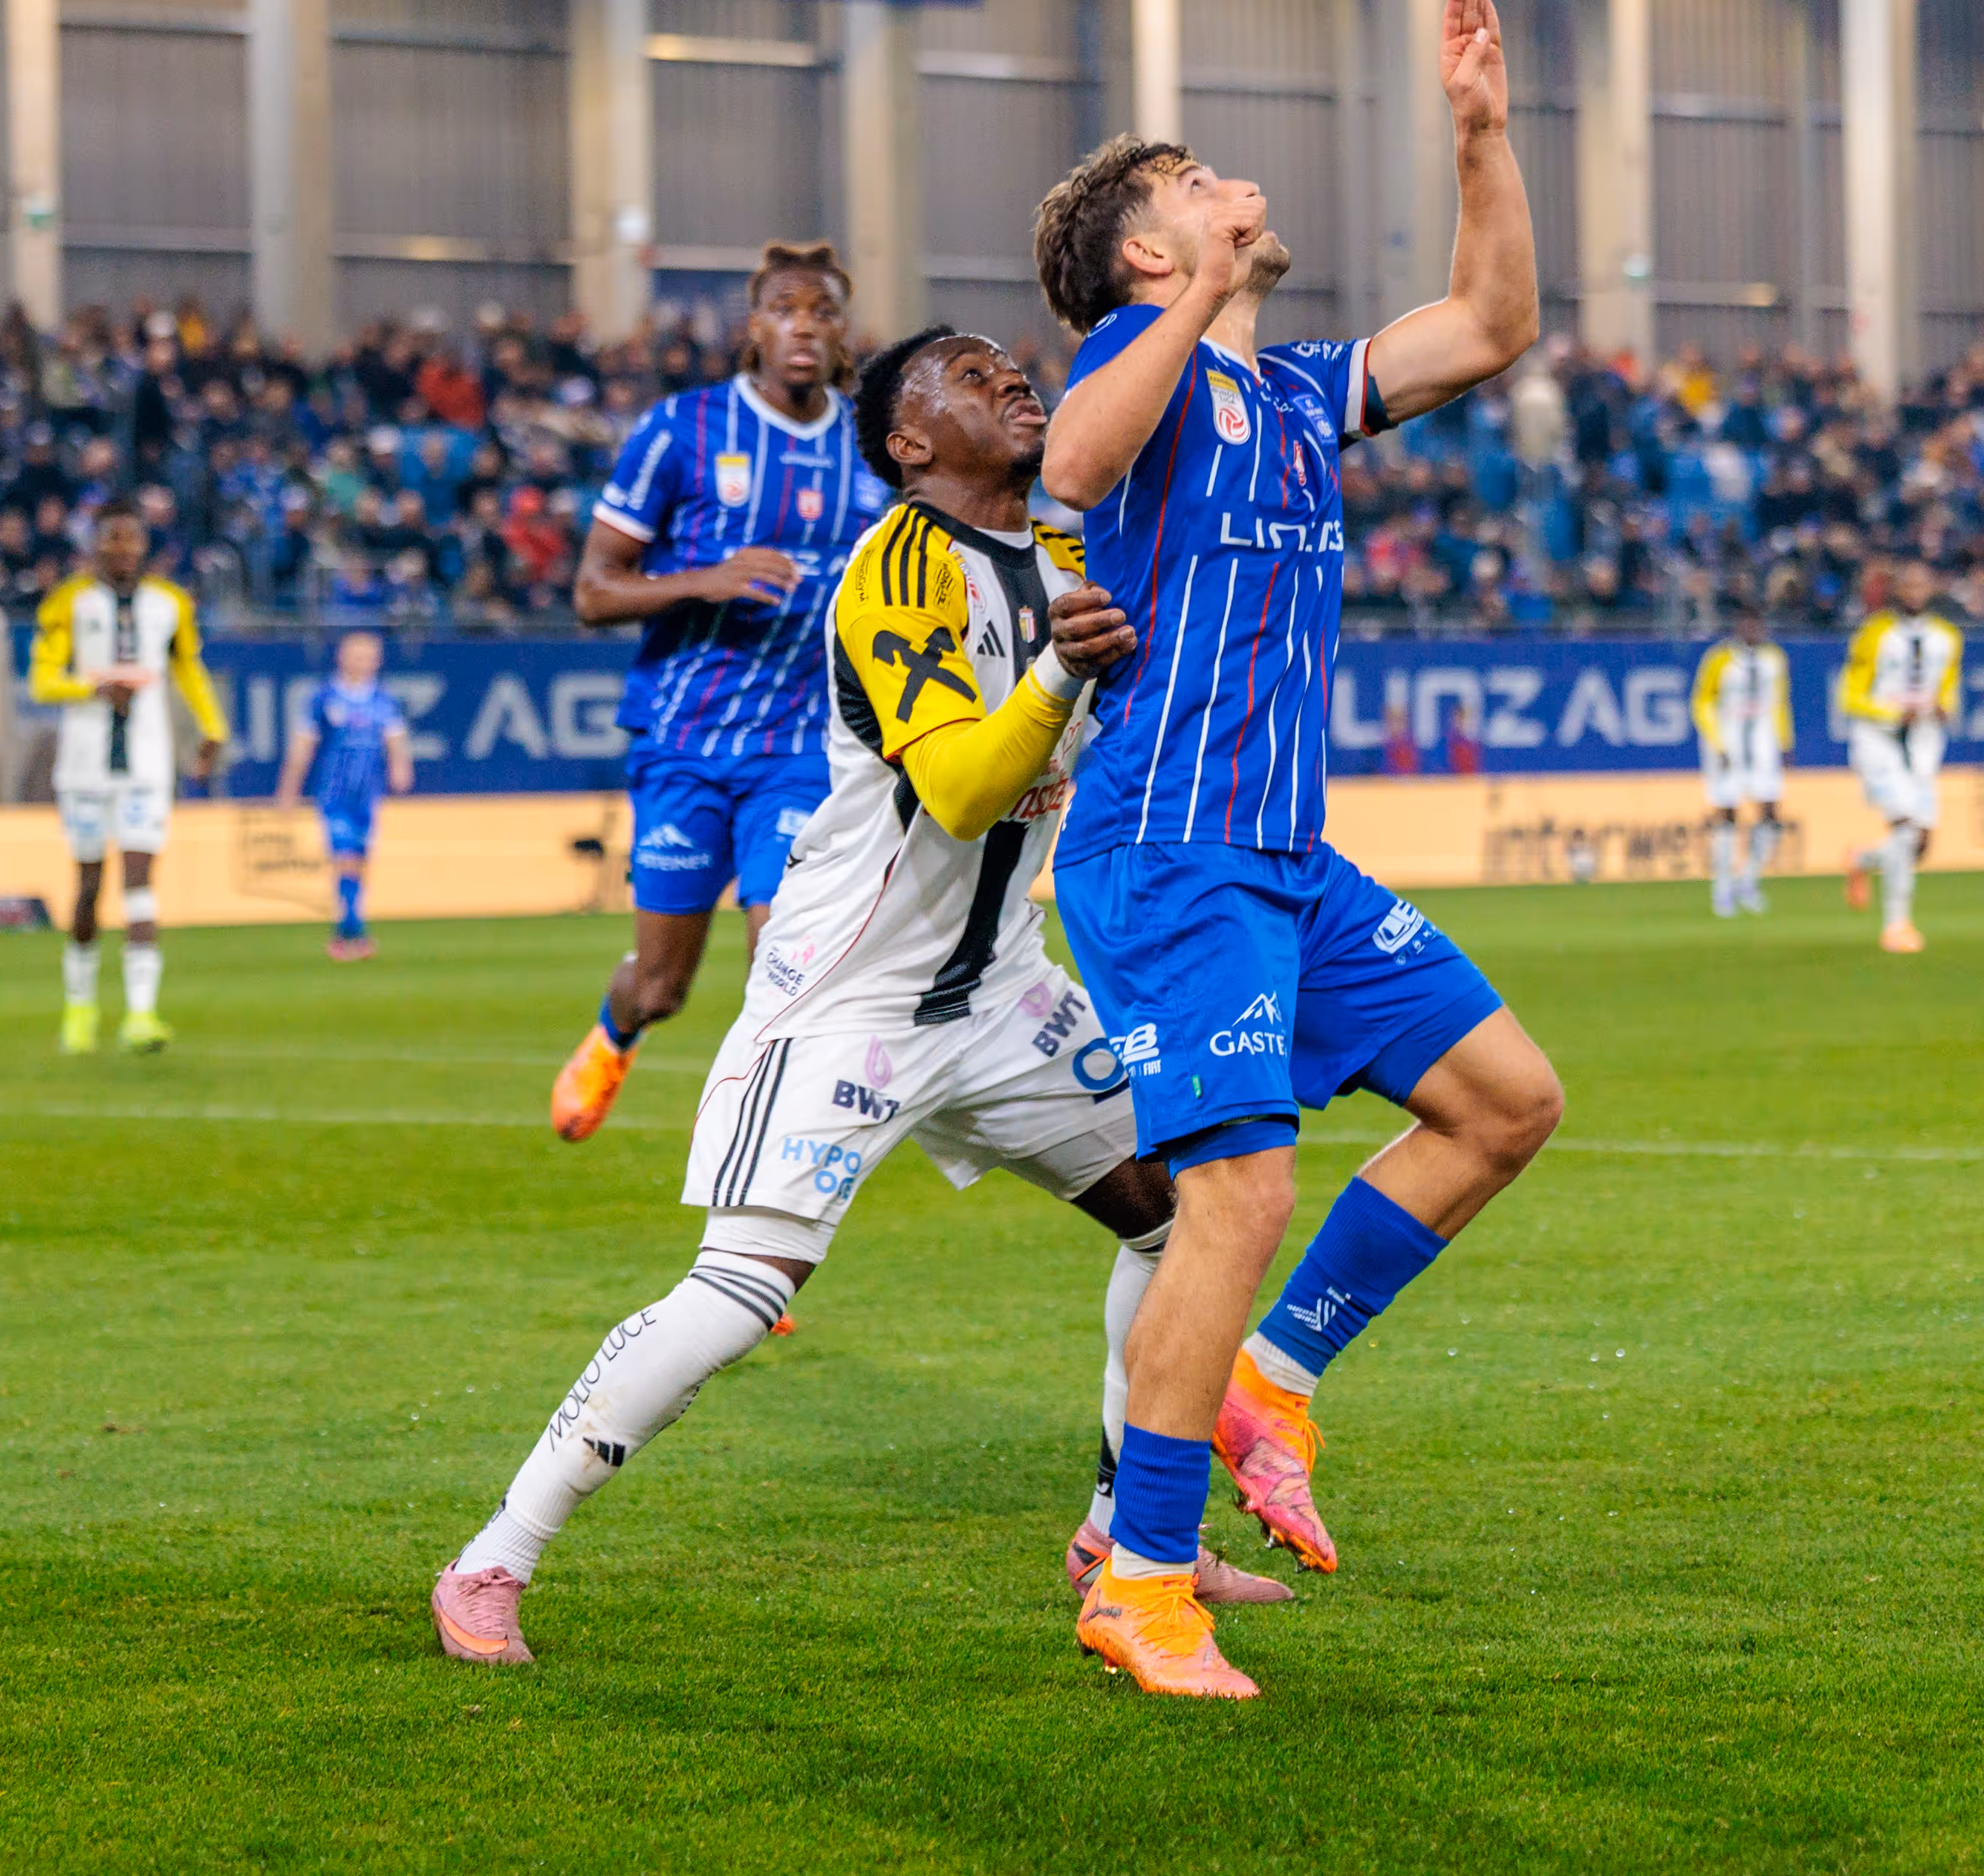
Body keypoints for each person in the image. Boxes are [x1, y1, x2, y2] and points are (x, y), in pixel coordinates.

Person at [435, 327, 1284, 1669]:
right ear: (908, 442)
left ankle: (1123, 1541)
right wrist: (1063, 670)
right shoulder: (894, 570)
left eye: (1011, 364)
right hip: (851, 996)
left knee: (1187, 1219)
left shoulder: (1067, 552)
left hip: (1003, 990)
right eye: (969, 375)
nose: (1011, 378)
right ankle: (494, 1557)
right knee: (740, 1290)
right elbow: (960, 791)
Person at [1023, 0, 1563, 1701]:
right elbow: (1071, 466)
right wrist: (1194, 293)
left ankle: (1272, 1380)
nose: (1230, 182)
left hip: (1281, 853)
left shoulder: (1301, 391)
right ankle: (1142, 1578)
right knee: (1237, 1192)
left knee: (1504, 1101)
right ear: (1146, 250)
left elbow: (1489, 323)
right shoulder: (1140, 365)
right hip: (1167, 846)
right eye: (1193, 184)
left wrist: (1482, 132)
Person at [547, 244, 887, 1142]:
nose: (804, 326)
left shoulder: (873, 445)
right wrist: (706, 580)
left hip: (805, 746)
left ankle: (766, 1143)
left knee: (786, 958)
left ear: (843, 332)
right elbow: (593, 592)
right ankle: (616, 1031)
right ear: (754, 328)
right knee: (663, 985)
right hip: (685, 742)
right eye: (785, 309)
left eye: (823, 311)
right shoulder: (683, 430)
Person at [29, 505, 224, 1052]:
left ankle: (141, 1014)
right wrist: (93, 689)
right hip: (85, 767)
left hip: (146, 764)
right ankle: (80, 1008)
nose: (122, 549)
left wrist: (213, 728)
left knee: (139, 881)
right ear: (95, 545)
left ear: (143, 545)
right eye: (112, 539)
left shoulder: (170, 604)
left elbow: (188, 668)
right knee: (89, 887)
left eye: (131, 539)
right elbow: (42, 681)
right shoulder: (68, 602)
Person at [1837, 558, 1959, 954]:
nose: (1914, 591)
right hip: (1878, 741)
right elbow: (1849, 695)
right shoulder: (1874, 633)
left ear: (1932, 588)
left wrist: (1944, 707)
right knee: (1905, 830)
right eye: (1908, 584)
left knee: (1920, 844)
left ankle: (1863, 859)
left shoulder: (1947, 637)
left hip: (1922, 743)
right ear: (1897, 589)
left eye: (1921, 584)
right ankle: (1896, 927)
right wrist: (1891, 713)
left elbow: (1948, 687)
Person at [278, 628, 409, 960]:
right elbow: (303, 746)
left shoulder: (383, 700)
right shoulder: (324, 698)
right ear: (342, 658)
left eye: (370, 658)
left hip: (369, 794)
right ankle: (354, 933)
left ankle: (346, 930)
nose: (364, 663)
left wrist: (400, 767)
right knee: (346, 857)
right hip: (334, 795)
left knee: (360, 861)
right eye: (358, 656)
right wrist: (289, 789)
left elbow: (395, 740)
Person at [1690, 597, 1791, 919]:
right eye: (1746, 623)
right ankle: (1722, 888)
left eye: (1756, 623)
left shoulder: (1774, 659)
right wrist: (1717, 742)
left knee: (1770, 812)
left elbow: (1780, 702)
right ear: (1737, 626)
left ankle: (1748, 880)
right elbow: (1702, 701)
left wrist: (1785, 741)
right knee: (1727, 813)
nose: (1752, 629)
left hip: (1763, 743)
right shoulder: (1720, 659)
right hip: (1728, 744)